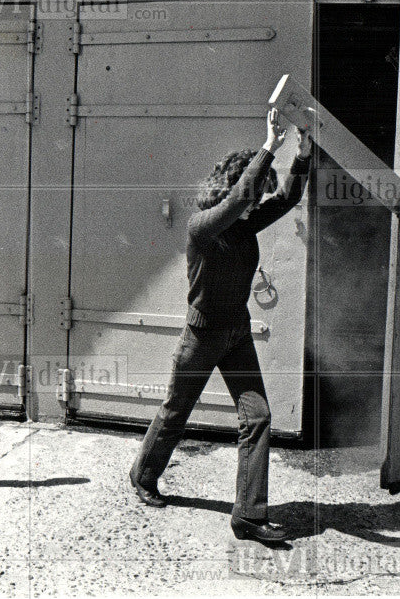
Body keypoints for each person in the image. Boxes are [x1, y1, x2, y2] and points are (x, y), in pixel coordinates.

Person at [129, 108, 312, 546]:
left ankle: (248, 516)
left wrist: (302, 154)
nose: (255, 205)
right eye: (250, 196)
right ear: (233, 191)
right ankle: (143, 475)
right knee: (176, 411)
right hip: (202, 335)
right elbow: (236, 203)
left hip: (236, 332)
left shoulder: (245, 224)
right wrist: (270, 145)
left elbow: (285, 200)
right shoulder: (202, 229)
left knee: (258, 417)